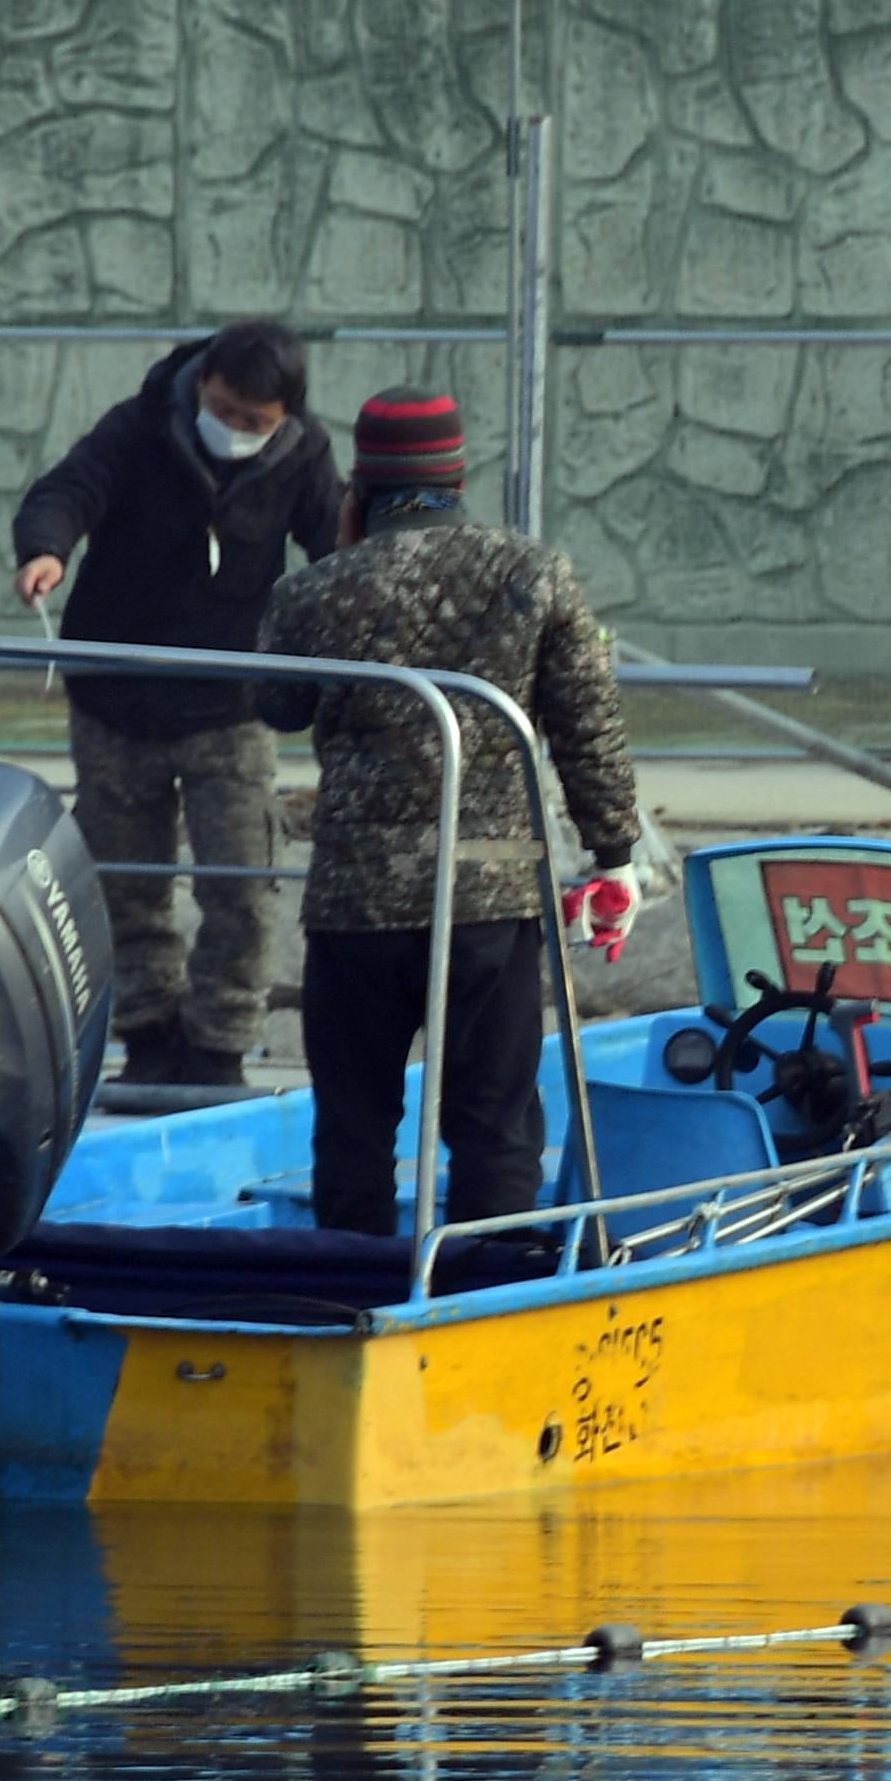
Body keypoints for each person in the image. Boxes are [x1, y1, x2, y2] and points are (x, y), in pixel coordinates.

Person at [255, 390, 642, 1240]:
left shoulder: (317, 588)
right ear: (458, 474)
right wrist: (613, 850)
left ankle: (340, 1301)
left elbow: (276, 702)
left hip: (356, 903)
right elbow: (588, 722)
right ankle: (489, 1289)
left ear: (363, 485)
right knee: (495, 1122)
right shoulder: (534, 573)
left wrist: (340, 570)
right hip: (489, 900)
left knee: (353, 1124)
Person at [11, 321, 341, 1089]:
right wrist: (46, 547)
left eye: (251, 423)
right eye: (220, 408)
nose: (230, 429)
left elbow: (334, 543)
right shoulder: (140, 423)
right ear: (202, 384)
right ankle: (147, 1034)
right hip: (115, 695)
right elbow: (69, 489)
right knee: (125, 881)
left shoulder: (305, 455)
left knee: (243, 882)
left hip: (231, 703)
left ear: (284, 418)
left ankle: (220, 1044)